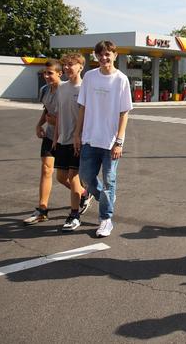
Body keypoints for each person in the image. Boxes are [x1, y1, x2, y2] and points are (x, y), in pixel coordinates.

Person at [74, 41, 133, 238]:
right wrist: (77, 134)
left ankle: (106, 219)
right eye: (100, 55)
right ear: (96, 56)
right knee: (85, 177)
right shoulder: (89, 77)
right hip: (90, 139)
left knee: (109, 182)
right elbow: (82, 107)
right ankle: (105, 198)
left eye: (108, 54)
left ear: (115, 55)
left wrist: (119, 141)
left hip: (110, 142)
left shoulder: (121, 80)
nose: (104, 58)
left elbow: (124, 112)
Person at [23, 59, 66, 225]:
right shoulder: (44, 90)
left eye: (50, 73)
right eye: (44, 73)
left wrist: (58, 123)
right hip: (49, 136)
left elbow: (76, 115)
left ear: (59, 74)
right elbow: (47, 109)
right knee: (46, 170)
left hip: (65, 137)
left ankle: (84, 193)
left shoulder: (67, 90)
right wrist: (39, 124)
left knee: (64, 178)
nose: (46, 76)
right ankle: (42, 210)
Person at [52, 53, 89, 231]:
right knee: (60, 177)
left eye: (70, 65)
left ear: (81, 66)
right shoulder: (61, 88)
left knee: (73, 177)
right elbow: (59, 114)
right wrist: (55, 137)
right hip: (62, 139)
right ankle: (84, 193)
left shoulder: (85, 88)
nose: (66, 68)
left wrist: (80, 137)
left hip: (78, 141)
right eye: (64, 65)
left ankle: (74, 215)